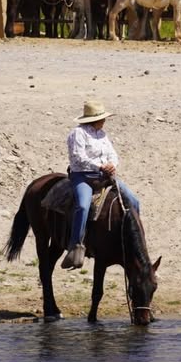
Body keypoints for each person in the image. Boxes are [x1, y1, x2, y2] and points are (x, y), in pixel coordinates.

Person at [62, 99, 141, 270]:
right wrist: (100, 166)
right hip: (82, 177)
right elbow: (78, 157)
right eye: (102, 118)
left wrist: (112, 164)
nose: (104, 121)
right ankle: (75, 245)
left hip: (104, 176)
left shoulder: (102, 134)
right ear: (93, 120)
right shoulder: (78, 134)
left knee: (134, 201)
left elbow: (112, 153)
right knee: (82, 206)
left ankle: (135, 239)